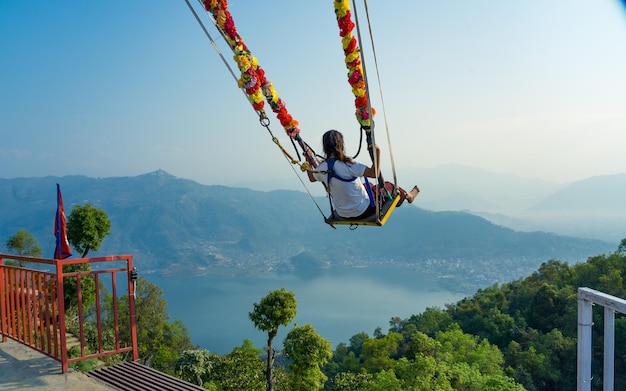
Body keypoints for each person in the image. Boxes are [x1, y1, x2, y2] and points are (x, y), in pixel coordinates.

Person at [307, 129, 419, 220]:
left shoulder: (321, 168)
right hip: (364, 210)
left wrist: (308, 160)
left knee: (368, 186)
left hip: (342, 213)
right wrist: (378, 152)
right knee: (388, 186)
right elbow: (374, 173)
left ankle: (407, 195)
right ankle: (409, 196)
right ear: (341, 145)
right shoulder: (349, 165)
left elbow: (312, 178)